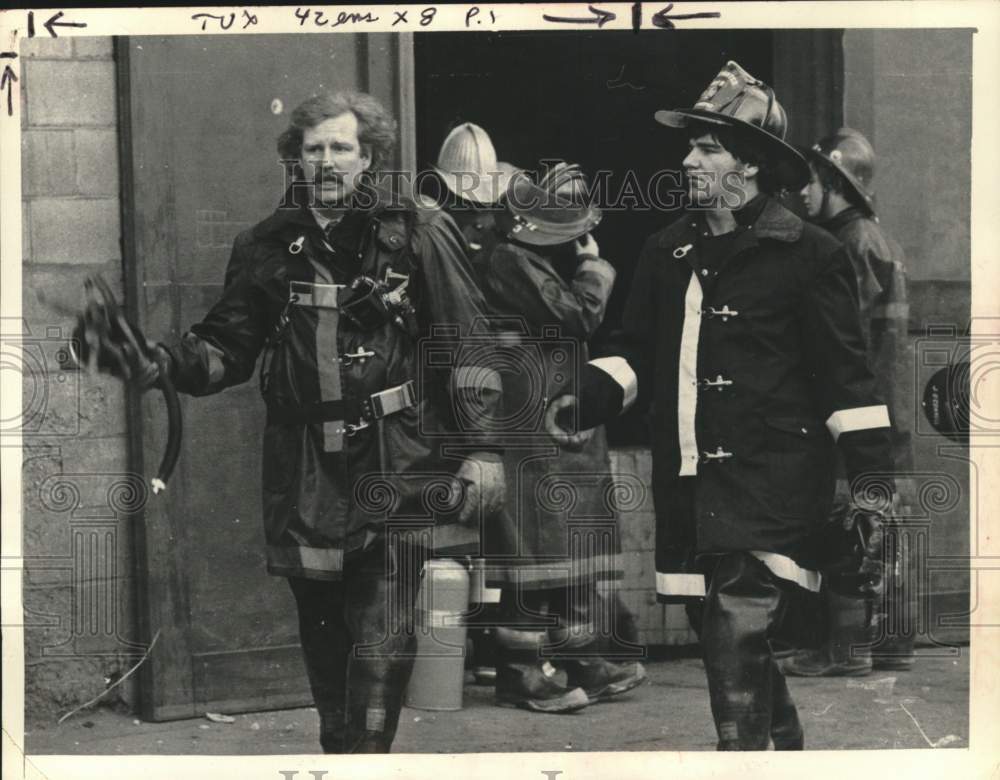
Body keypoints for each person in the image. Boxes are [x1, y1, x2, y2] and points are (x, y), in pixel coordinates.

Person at [75, 90, 504, 753]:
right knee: (323, 627)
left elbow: (468, 338)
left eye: (341, 147)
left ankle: (365, 759)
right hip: (303, 465)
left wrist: (483, 447)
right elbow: (227, 348)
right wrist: (159, 364)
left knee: (381, 632)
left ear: (369, 157)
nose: (327, 161)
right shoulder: (266, 245)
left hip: (396, 458)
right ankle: (341, 751)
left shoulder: (417, 230)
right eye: (314, 149)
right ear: (296, 159)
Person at [544, 62, 897, 749]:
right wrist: (586, 397)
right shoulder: (665, 249)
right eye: (691, 146)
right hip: (689, 478)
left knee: (737, 620)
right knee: (725, 633)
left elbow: (847, 380)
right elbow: (634, 349)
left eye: (708, 148)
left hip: (773, 478)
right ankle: (782, 748)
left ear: (752, 163)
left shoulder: (812, 255)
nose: (689, 160)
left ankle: (738, 758)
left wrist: (872, 485)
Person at [478, 162, 646, 713]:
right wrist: (594, 268)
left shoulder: (535, 259)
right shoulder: (509, 259)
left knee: (570, 538)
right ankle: (520, 670)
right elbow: (575, 316)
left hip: (557, 422)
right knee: (533, 545)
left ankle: (582, 657)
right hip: (528, 422)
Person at [784, 128, 915, 676]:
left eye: (809, 179)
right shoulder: (880, 241)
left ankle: (844, 648)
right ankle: (890, 644)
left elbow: (842, 340)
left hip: (857, 409)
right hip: (888, 411)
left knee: (848, 522)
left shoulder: (847, 245)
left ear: (834, 181)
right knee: (882, 523)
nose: (800, 191)